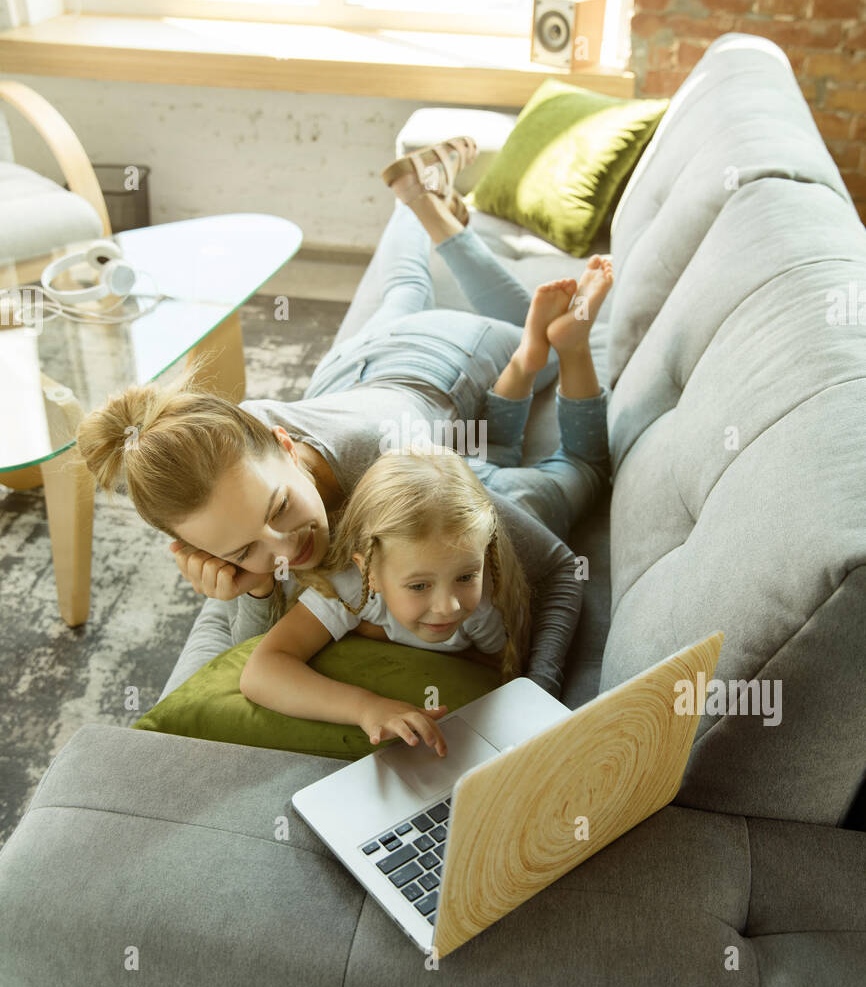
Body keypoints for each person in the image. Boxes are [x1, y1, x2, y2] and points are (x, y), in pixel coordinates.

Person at [74, 137, 611, 701]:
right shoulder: (229, 457)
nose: (281, 552)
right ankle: (417, 196)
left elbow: (554, 569)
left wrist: (533, 703)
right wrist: (252, 591)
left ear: (283, 445)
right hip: (347, 373)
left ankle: (434, 214)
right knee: (403, 287)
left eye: (281, 509)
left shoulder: (392, 469)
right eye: (242, 552)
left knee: (545, 348)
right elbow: (255, 663)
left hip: (435, 363)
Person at [238, 263, 614, 755]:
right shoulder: (351, 591)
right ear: (367, 571)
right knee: (492, 449)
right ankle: (528, 355)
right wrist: (368, 706)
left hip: (521, 500)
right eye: (418, 586)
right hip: (449, 489)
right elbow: (261, 671)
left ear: (486, 559)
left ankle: (571, 347)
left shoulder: (481, 602)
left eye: (465, 577)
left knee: (585, 467)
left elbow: (496, 667)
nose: (449, 607)